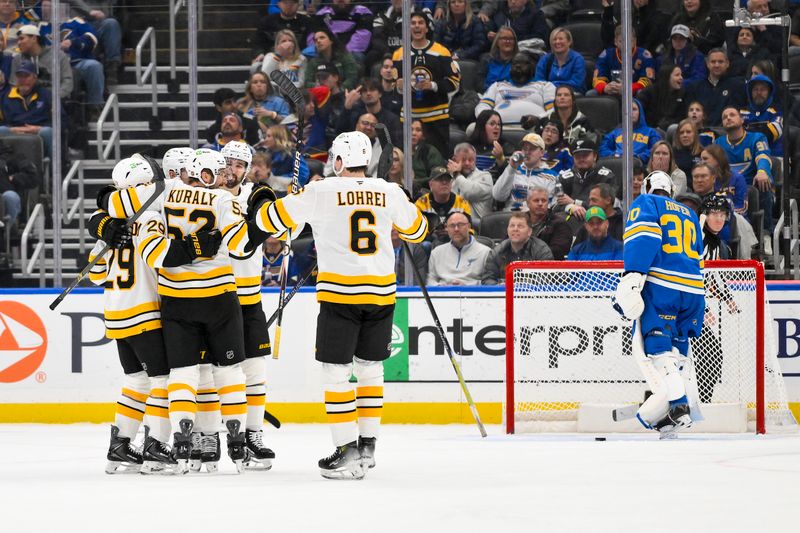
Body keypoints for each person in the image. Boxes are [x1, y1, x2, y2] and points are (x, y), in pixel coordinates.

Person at [254, 130, 428, 479]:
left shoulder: (319, 191)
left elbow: (265, 223)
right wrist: (404, 202)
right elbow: (418, 231)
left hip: (341, 295)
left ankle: (346, 449)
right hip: (381, 293)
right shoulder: (388, 190)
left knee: (335, 372)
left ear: (337, 161)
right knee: (370, 368)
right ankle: (367, 447)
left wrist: (289, 199)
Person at [102, 150, 265, 473]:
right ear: (206, 174)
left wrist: (104, 224)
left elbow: (113, 208)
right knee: (229, 371)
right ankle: (233, 436)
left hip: (173, 301)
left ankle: (179, 434)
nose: (222, 177)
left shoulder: (159, 195)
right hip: (219, 296)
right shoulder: (222, 199)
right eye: (218, 172)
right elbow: (240, 245)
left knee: (180, 374)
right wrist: (261, 228)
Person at [90, 157, 222, 475]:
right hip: (145, 311)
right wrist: (198, 247)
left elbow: (95, 273)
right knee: (162, 379)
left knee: (137, 380)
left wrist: (102, 227)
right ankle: (156, 445)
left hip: (116, 312)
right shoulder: (151, 218)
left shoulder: (111, 224)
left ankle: (119, 445)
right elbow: (164, 258)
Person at [614, 170, 705, 438]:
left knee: (658, 352)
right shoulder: (689, 213)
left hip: (663, 287)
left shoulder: (646, 203)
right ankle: (667, 422)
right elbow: (699, 258)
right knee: (678, 354)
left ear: (647, 187)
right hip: (693, 291)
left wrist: (633, 275)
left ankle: (679, 406)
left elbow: (644, 239)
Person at [218, 141, 276, 469]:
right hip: (216, 297)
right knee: (214, 374)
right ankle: (207, 435)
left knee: (255, 371)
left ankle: (253, 435)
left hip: (250, 297)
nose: (231, 168)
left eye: (238, 164)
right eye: (226, 162)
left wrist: (292, 206)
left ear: (248, 168)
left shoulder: (256, 195)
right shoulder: (208, 194)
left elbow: (285, 227)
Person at [392, 8, 461, 158]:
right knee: (409, 162)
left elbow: (454, 82)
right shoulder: (398, 55)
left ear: (427, 27)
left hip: (436, 117)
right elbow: (392, 85)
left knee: (438, 161)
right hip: (410, 118)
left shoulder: (441, 52)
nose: (417, 26)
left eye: (420, 23)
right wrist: (399, 87)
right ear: (408, 28)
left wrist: (432, 85)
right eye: (413, 23)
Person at [715, 106, 773, 235]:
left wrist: (762, 171)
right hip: (727, 188)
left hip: (752, 185)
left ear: (742, 120)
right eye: (724, 117)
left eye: (732, 115)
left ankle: (766, 233)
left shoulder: (757, 138)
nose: (728, 118)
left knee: (763, 183)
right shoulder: (718, 143)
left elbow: (763, 155)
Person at [476, 52, 556, 129]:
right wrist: (489, 120)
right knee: (472, 128)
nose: (518, 66)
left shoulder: (545, 86)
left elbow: (554, 110)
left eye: (523, 63)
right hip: (498, 128)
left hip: (534, 129)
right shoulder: (497, 86)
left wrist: (539, 119)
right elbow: (482, 106)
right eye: (515, 63)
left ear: (532, 67)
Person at [0, 60, 60, 158]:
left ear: (35, 78)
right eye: (19, 76)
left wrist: (38, 128)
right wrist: (12, 129)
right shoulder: (5, 96)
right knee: (1, 130)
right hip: (14, 131)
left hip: (39, 131)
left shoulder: (47, 95)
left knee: (48, 132)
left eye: (26, 76)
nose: (22, 79)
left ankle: (54, 171)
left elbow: (61, 120)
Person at [493, 133, 559, 211]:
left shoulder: (552, 176)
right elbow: (498, 196)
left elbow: (554, 206)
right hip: (512, 217)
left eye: (532, 149)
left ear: (542, 152)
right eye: (524, 148)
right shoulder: (514, 170)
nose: (527, 152)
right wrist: (511, 167)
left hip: (538, 218)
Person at [482, 212, 553, 284]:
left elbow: (546, 279)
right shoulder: (497, 251)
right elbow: (487, 279)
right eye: (512, 226)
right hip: (503, 293)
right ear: (507, 230)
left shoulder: (541, 250)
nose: (515, 229)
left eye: (520, 226)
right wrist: (500, 287)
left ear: (529, 231)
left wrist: (518, 286)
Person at [556, 138, 616, 221]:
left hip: (599, 221)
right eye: (577, 156)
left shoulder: (606, 176)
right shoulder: (565, 177)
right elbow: (555, 207)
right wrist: (570, 207)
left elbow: (605, 206)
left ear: (594, 156)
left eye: (585, 155)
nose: (581, 159)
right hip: (570, 222)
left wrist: (574, 202)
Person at [685, 48, 746, 128]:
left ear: (727, 63)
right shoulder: (695, 87)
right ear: (707, 64)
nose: (717, 65)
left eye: (720, 62)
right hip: (700, 131)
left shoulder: (737, 86)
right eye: (713, 62)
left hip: (726, 131)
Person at [427, 211, 490, 285]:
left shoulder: (486, 252)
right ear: (447, 228)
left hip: (472, 294)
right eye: (452, 225)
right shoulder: (436, 252)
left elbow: (489, 282)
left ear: (469, 226)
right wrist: (440, 286)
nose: (456, 229)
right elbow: (430, 279)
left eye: (460, 225)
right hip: (443, 294)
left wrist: (467, 286)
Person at [11, 24, 73, 100]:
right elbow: (13, 84)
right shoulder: (17, 59)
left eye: (21, 39)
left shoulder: (58, 56)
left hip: (54, 101)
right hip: (26, 101)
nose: (18, 43)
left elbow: (67, 81)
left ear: (34, 38)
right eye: (17, 40)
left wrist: (54, 98)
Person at [415, 166, 473, 246]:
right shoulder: (421, 203)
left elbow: (470, 230)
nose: (444, 182)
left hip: (456, 242)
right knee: (425, 245)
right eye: (440, 180)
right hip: (430, 243)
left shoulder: (462, 203)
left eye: (447, 180)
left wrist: (451, 231)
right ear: (431, 184)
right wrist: (432, 233)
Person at [592, 25, 655, 97]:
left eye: (629, 41)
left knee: (642, 93)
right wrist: (605, 87)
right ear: (615, 42)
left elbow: (648, 81)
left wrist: (628, 89)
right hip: (611, 92)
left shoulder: (644, 55)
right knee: (591, 93)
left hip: (634, 93)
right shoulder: (606, 55)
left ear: (635, 41)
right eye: (621, 41)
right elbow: (597, 78)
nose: (625, 45)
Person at [338, 77, 402, 146]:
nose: (368, 93)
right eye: (364, 91)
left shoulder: (391, 119)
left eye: (372, 90)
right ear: (360, 96)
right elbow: (339, 133)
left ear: (380, 94)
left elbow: (397, 144)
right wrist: (347, 108)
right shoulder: (355, 114)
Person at [309, 0, 373, 64]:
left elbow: (363, 37)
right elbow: (313, 36)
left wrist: (343, 53)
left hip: (351, 52)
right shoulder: (322, 14)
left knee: (356, 57)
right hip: (327, 51)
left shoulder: (362, 12)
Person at [599, 99, 661, 164]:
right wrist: (614, 155)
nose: (631, 112)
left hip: (640, 165)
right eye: (628, 109)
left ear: (640, 112)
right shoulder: (615, 132)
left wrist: (639, 157)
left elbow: (656, 149)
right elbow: (603, 148)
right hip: (617, 163)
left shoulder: (651, 132)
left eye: (634, 109)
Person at [600, 0, 672, 55]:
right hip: (622, 58)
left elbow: (645, 43)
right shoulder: (628, 16)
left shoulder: (659, 19)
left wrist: (643, 10)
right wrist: (608, 12)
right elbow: (609, 41)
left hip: (645, 61)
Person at [446, 143, 493, 227]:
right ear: (455, 160)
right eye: (463, 160)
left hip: (478, 227)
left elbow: (469, 191)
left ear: (475, 160)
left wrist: (457, 174)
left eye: (471, 160)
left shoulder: (485, 176)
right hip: (453, 225)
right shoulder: (448, 178)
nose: (467, 163)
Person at [253, 0, 311, 66]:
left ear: (298, 4)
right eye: (285, 2)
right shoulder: (267, 22)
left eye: (293, 3)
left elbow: (312, 43)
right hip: (272, 58)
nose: (289, 5)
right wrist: (260, 53)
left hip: (299, 59)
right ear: (279, 4)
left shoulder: (307, 21)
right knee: (256, 65)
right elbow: (258, 42)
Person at [740, 74, 783, 157]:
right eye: (755, 89)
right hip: (747, 158)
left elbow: (770, 133)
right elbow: (735, 133)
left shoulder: (777, 112)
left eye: (763, 89)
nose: (759, 93)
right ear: (750, 92)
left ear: (769, 92)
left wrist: (746, 133)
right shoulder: (742, 112)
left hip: (773, 157)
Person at [238, 71, 292, 137]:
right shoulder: (242, 105)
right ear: (250, 88)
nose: (259, 85)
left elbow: (289, 123)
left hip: (276, 139)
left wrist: (272, 115)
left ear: (267, 86)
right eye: (255, 82)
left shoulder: (279, 102)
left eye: (263, 82)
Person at [534, 26, 585, 94]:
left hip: (572, 93)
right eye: (554, 39)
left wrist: (552, 86)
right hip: (548, 93)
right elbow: (538, 81)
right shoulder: (545, 59)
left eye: (560, 39)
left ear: (569, 42)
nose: (557, 42)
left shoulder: (577, 59)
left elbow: (576, 83)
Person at [636, 64, 688, 132]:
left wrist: (663, 126)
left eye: (681, 75)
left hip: (669, 132)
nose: (681, 78)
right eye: (677, 75)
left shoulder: (682, 94)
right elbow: (639, 111)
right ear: (667, 77)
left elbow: (681, 117)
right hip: (648, 129)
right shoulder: (649, 92)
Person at [526, 186, 573, 260]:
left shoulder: (560, 224)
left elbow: (558, 251)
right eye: (536, 200)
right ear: (528, 203)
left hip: (548, 268)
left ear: (548, 203)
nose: (540, 203)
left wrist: (529, 254)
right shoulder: (520, 221)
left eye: (544, 200)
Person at [0, 137, 38, 228]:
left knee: (10, 196)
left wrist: (13, 178)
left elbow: (33, 178)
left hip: (6, 194)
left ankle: (9, 230)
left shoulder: (15, 157)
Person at [700, 144, 748, 214]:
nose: (702, 162)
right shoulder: (703, 179)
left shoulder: (737, 178)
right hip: (710, 218)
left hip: (736, 219)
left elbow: (741, 208)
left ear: (717, 159)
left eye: (705, 159)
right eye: (701, 159)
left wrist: (723, 216)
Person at [468, 110, 513, 181]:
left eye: (499, 124)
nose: (497, 127)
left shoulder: (506, 147)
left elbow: (510, 177)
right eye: (492, 124)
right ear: (482, 126)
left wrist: (501, 158)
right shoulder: (468, 146)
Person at [479, 26, 518, 91]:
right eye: (504, 38)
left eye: (511, 39)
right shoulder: (486, 59)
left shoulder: (520, 61)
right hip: (488, 94)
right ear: (497, 42)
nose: (508, 41)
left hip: (512, 95)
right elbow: (479, 83)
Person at [411, 119, 446, 190]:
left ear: (424, 135)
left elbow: (438, 175)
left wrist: (415, 182)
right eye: (411, 129)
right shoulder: (401, 150)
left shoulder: (430, 151)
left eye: (418, 130)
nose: (413, 133)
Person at [368, 0, 403, 69]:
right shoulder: (382, 16)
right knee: (372, 56)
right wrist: (388, 54)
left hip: (409, 55)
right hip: (386, 54)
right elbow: (377, 39)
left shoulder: (418, 17)